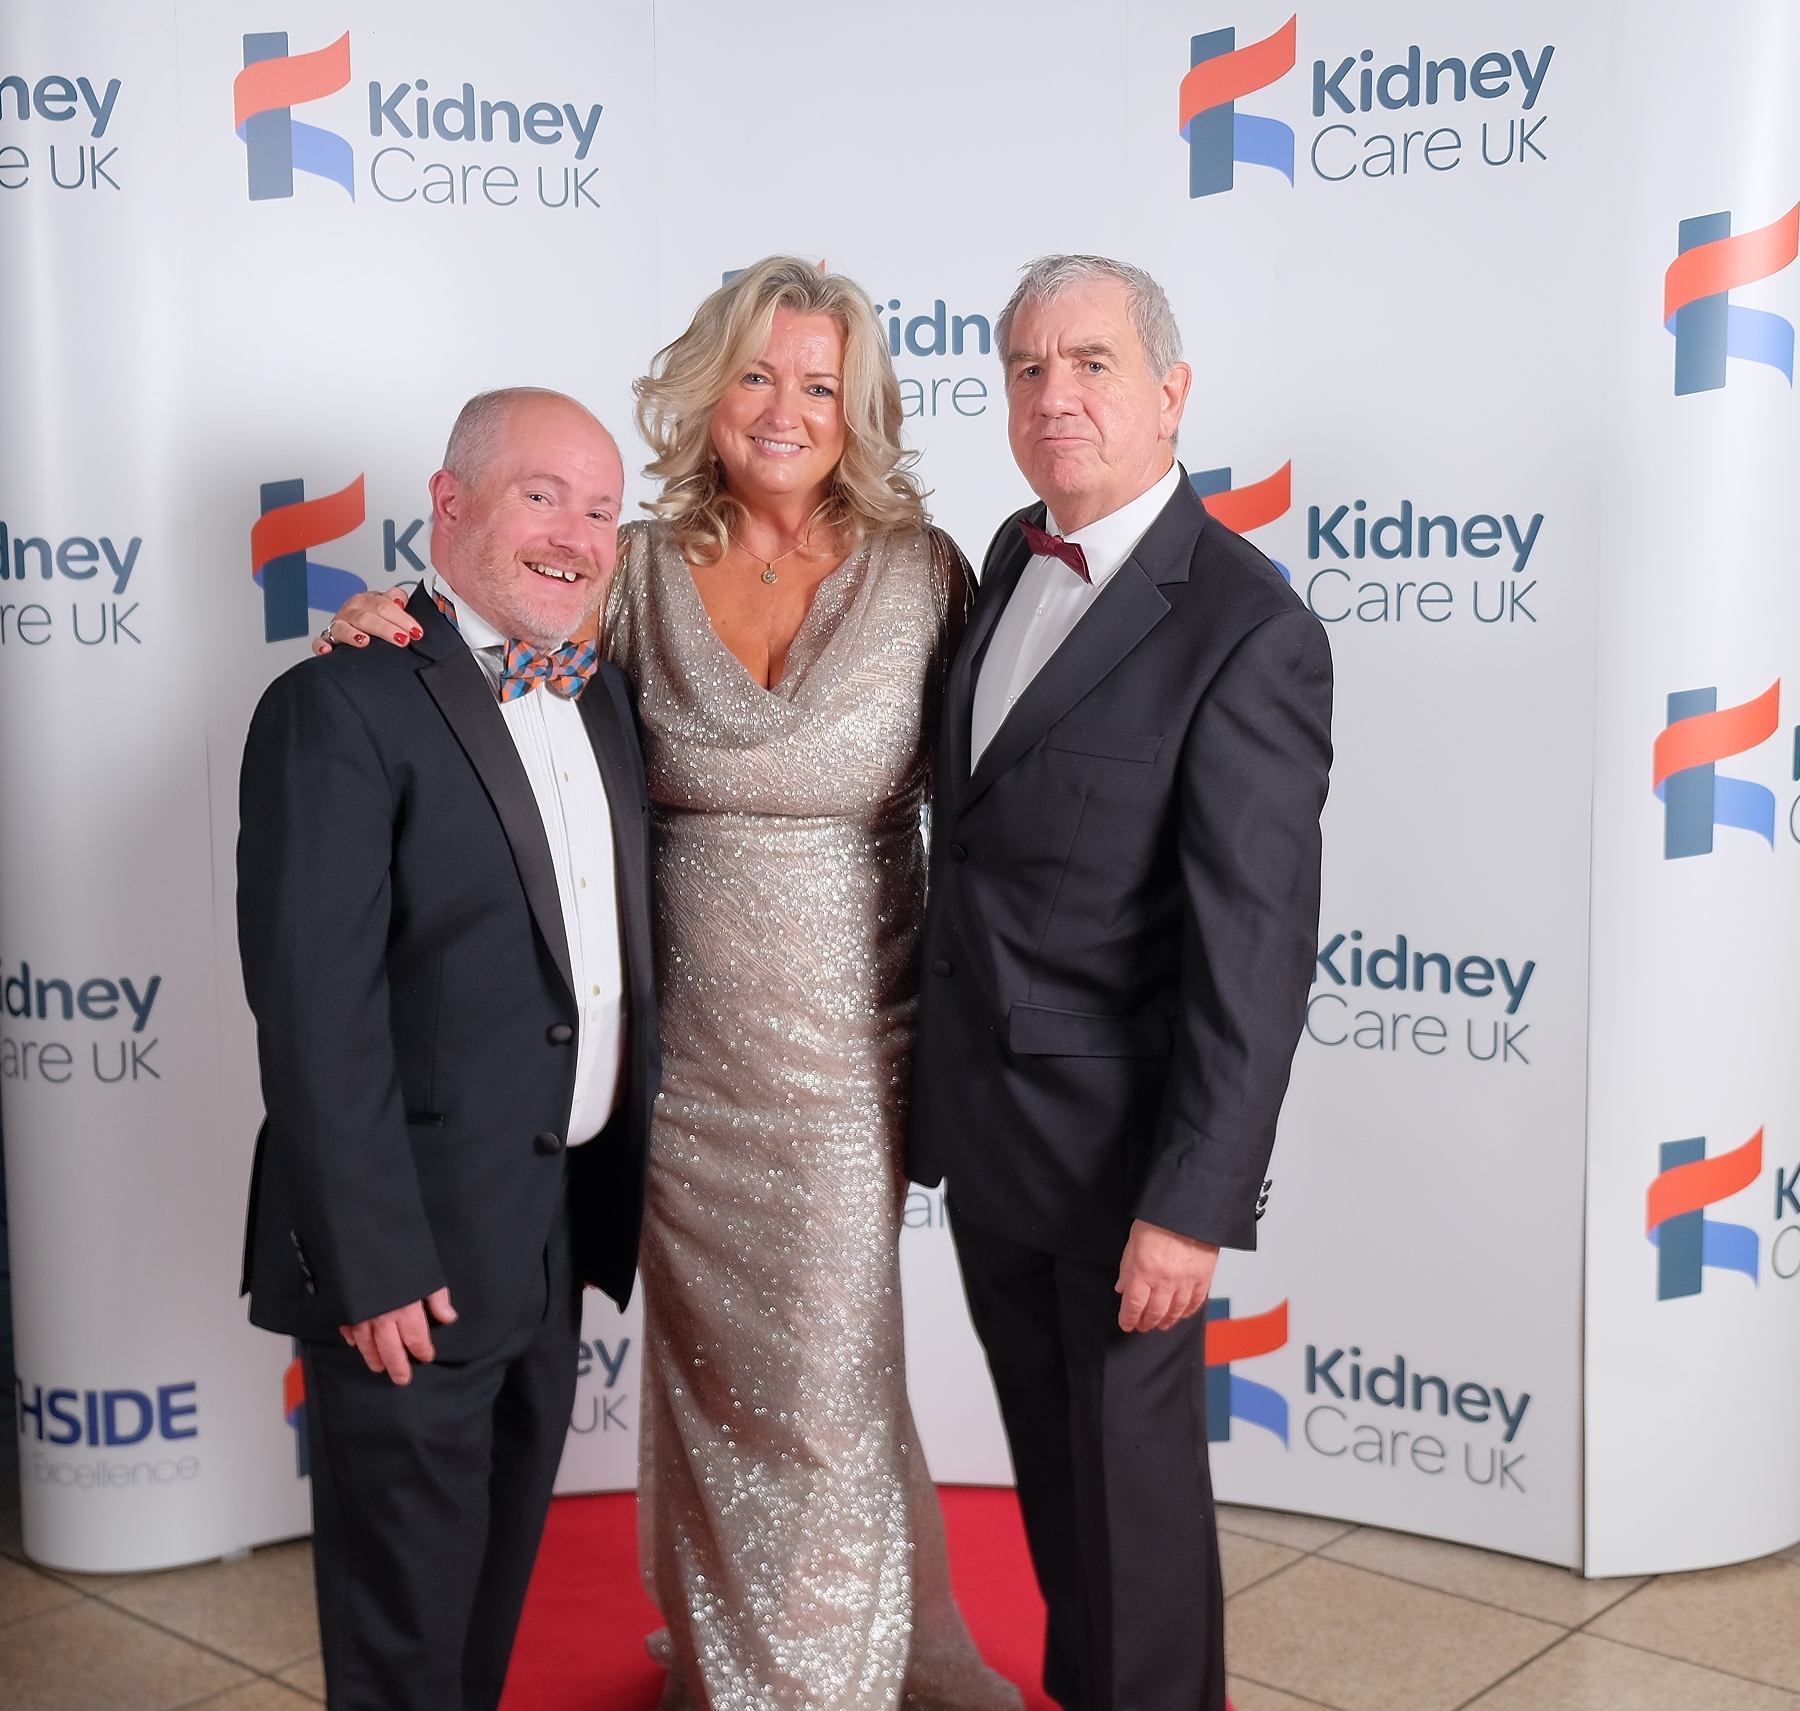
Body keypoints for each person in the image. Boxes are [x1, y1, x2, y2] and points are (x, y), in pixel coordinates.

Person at [321, 259, 1018, 1711]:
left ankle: (811, 1684)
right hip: (669, 1066)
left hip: (849, 1061)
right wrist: (383, 618)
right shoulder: (628, 566)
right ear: (709, 390)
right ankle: (729, 1646)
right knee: (710, 1389)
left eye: (818, 384)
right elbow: (494, 677)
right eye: (756, 375)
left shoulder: (928, 571)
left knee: (823, 1392)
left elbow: (1000, 801)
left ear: (859, 408)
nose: (783, 408)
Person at [907, 255, 1334, 1711]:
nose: (1054, 395)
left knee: (1137, 1537)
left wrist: (1191, 1207)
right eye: (1027, 369)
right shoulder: (1008, 557)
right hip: (991, 1152)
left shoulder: (1246, 627)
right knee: (1068, 1532)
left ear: (1172, 391)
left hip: (1123, 1180)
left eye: (1090, 363)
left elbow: (1256, 950)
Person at [238, 388, 660, 1711]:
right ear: (452, 503)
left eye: (601, 510)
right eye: (543, 496)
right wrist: (372, 1264)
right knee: (402, 1638)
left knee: (483, 1610)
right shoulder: (340, 706)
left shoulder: (601, 702)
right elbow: (315, 1012)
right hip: (406, 1259)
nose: (575, 536)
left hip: (548, 1234)